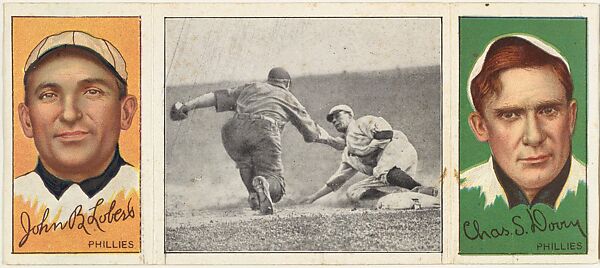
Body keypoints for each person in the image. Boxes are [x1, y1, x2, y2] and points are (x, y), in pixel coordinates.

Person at [170, 67, 334, 215]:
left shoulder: (251, 87)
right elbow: (312, 133)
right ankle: (266, 188)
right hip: (264, 128)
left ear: (269, 80)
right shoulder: (288, 97)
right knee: (276, 182)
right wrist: (332, 141)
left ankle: (254, 195)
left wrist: (187, 106)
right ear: (287, 84)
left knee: (245, 163)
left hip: (232, 129)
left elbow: (215, 97)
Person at [15, 31, 139, 223]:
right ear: (26, 119)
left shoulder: (149, 193)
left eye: (92, 92)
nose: (70, 114)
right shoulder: (10, 199)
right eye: (49, 95)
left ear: (125, 112)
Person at [461, 35, 585, 209]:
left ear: (571, 117)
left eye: (548, 111)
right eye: (510, 115)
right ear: (480, 126)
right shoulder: (457, 194)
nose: (534, 137)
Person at [300, 104, 437, 206]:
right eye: (332, 119)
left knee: (380, 171)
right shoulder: (349, 155)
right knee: (353, 191)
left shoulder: (362, 123)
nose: (334, 120)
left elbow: (386, 133)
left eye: (338, 115)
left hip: (399, 148)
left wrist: (370, 147)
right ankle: (413, 196)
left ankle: (420, 189)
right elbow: (337, 180)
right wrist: (314, 197)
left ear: (350, 115)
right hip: (395, 171)